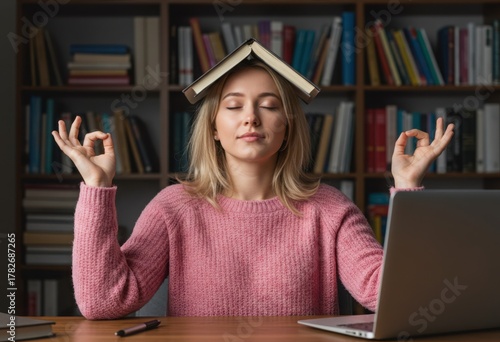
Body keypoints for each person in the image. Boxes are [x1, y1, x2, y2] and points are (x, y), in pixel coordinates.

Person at [52, 59, 454, 320]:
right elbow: (103, 303)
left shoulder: (329, 208)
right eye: (233, 105)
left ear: (288, 125)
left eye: (269, 104)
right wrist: (96, 187)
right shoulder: (174, 207)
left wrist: (407, 187)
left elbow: (397, 299)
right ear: (213, 127)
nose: (250, 118)